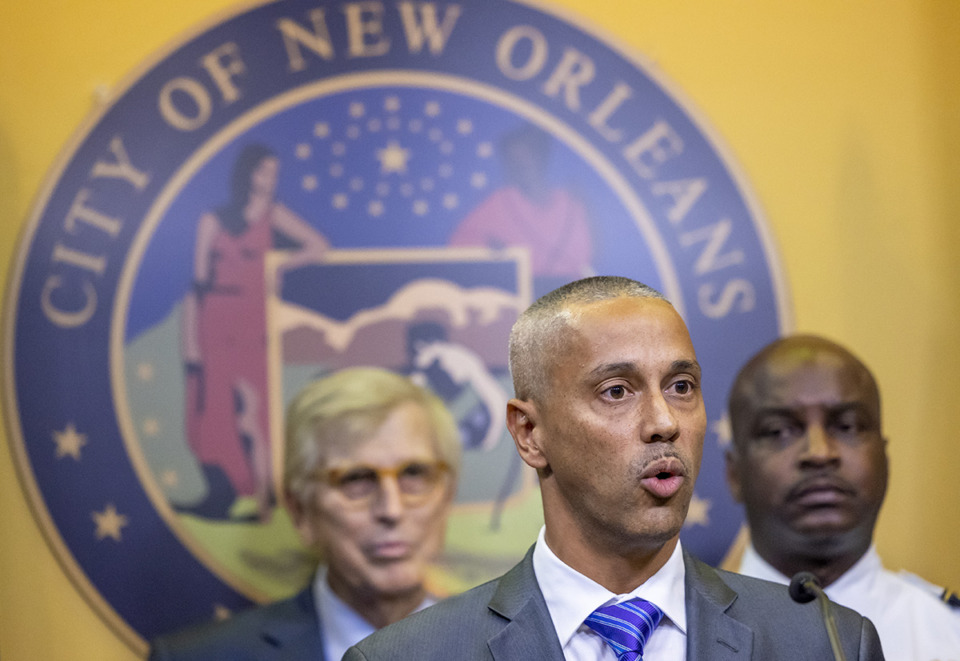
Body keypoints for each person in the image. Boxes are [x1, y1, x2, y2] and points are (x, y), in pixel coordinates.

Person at [344, 276, 884, 661]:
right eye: (617, 391)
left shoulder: (825, 642)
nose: (663, 422)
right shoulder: (408, 656)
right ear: (530, 434)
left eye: (681, 387)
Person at [149, 367, 461, 660]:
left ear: (447, 496)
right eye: (355, 479)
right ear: (300, 511)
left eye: (414, 474)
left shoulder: (505, 650)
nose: (392, 510)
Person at [725, 333, 960, 660]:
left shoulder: (950, 634)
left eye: (847, 426)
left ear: (885, 461)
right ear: (734, 473)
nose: (820, 453)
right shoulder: (677, 639)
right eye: (779, 431)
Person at [179, 143, 329, 522]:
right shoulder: (213, 220)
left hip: (253, 320)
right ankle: (227, 492)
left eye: (274, 173)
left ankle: (266, 501)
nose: (269, 180)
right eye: (264, 172)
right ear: (247, 173)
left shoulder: (273, 214)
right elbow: (197, 284)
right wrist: (191, 341)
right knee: (215, 410)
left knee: (255, 414)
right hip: (215, 315)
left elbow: (317, 245)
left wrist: (281, 267)